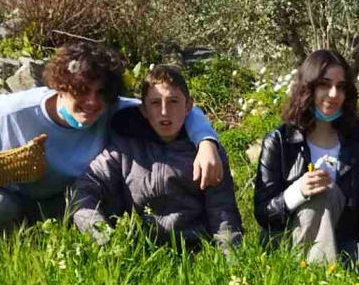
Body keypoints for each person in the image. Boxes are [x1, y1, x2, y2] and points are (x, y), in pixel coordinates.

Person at [0, 42, 224, 236]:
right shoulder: (13, 111)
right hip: (11, 195)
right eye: (81, 91)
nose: (92, 102)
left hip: (66, 201)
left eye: (101, 93)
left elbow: (177, 106)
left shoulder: (111, 109)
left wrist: (206, 143)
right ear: (60, 87)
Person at [71, 65, 241, 250]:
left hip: (195, 252)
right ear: (143, 109)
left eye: (173, 101)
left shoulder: (207, 155)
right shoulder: (124, 149)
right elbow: (84, 189)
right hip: (138, 254)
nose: (164, 112)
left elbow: (223, 214)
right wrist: (103, 237)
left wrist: (231, 263)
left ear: (188, 106)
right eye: (155, 103)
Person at [253, 49, 359, 266]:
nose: (334, 94)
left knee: (326, 193)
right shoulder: (279, 141)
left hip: (347, 239)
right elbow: (263, 213)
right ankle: (316, 276)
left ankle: (317, 275)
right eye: (325, 85)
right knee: (319, 195)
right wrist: (297, 192)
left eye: (340, 86)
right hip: (289, 242)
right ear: (308, 87)